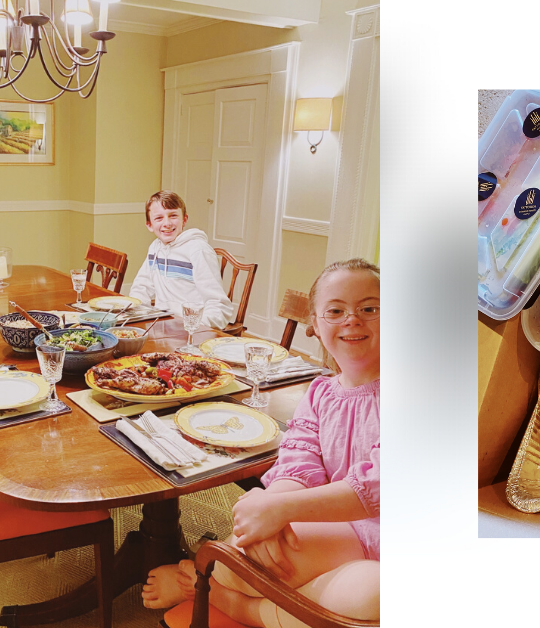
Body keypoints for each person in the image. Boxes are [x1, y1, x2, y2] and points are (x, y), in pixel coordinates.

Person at [141, 258, 381, 628]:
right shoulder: (321, 392)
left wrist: (281, 510)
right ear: (315, 325)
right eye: (336, 310)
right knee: (237, 560)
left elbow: (378, 486)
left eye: (369, 308)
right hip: (337, 524)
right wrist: (271, 504)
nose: (353, 319)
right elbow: (299, 460)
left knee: (371, 597)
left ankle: (222, 599)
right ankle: (217, 583)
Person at [128, 190, 234, 329]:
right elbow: (142, 287)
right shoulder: (155, 247)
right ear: (149, 225)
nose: (167, 223)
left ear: (184, 219)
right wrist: (137, 315)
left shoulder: (198, 250)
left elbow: (218, 305)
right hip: (162, 327)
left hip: (192, 333)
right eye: (159, 218)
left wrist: (196, 328)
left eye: (173, 216)